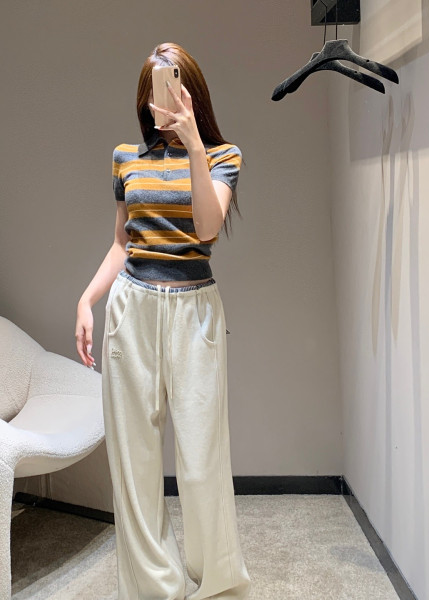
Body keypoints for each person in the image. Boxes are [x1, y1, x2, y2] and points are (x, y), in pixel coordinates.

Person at [76, 42, 252, 600]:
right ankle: (155, 590)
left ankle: (218, 585)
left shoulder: (223, 155)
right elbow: (121, 244)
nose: (166, 96)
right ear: (145, 97)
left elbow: (206, 227)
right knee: (135, 460)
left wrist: (195, 142)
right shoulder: (125, 157)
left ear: (191, 91)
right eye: (157, 85)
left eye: (175, 82)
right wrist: (87, 299)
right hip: (131, 308)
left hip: (194, 310)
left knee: (202, 460)